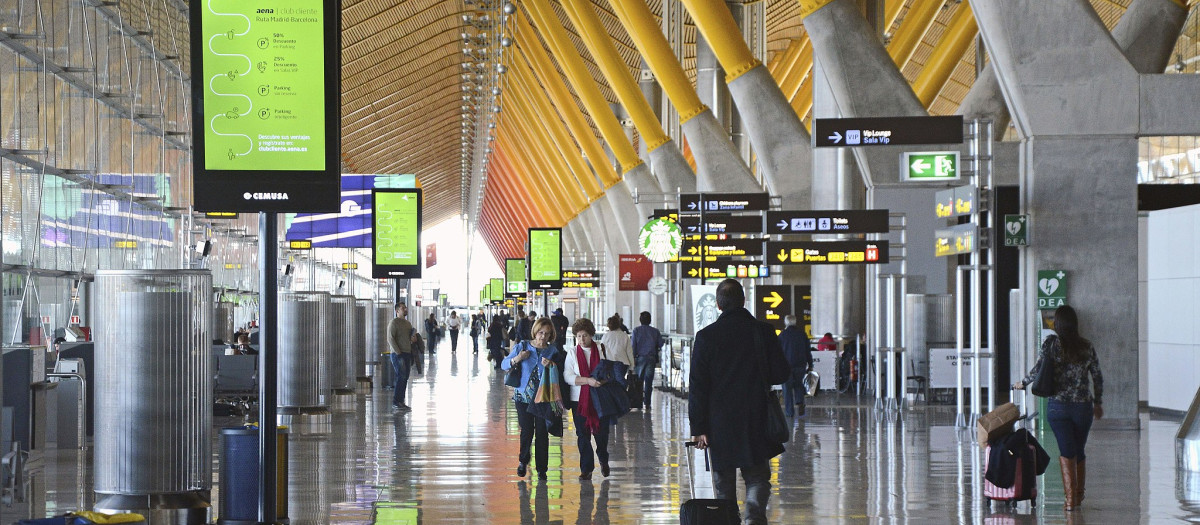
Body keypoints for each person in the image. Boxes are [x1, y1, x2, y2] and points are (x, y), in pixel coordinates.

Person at [689, 279, 790, 525]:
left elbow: (698, 386)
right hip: (756, 418)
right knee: (757, 478)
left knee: (723, 482)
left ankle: (728, 520)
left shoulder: (706, 336)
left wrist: (698, 428)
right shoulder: (763, 332)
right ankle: (753, 519)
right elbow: (781, 374)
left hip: (719, 422)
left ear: (718, 305)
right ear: (744, 301)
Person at [1014, 305, 1103, 511]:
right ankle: (1077, 496)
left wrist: (1023, 382)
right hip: (1082, 408)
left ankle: (1071, 499)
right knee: (1078, 450)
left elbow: (1038, 369)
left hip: (1058, 408)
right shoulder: (1086, 346)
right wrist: (1098, 402)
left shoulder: (1051, 344)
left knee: (1066, 450)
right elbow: (1097, 376)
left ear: (1058, 324)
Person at [502, 318, 565, 481]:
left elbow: (561, 371)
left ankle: (542, 469)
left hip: (543, 397)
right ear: (535, 331)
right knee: (527, 430)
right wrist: (518, 358)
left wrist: (551, 364)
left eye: (546, 334)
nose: (542, 337)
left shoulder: (553, 351)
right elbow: (504, 364)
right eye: (540, 333)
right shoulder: (523, 346)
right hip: (522, 398)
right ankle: (523, 461)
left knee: (542, 433)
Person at [563, 318, 612, 480]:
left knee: (601, 434)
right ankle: (586, 469)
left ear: (591, 335)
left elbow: (611, 371)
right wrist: (588, 381)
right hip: (579, 401)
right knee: (582, 435)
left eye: (584, 335)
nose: (581, 339)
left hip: (600, 399)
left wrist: (603, 380)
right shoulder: (572, 353)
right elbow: (568, 376)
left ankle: (603, 459)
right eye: (578, 336)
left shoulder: (601, 349)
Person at [777, 315, 812, 418]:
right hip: (800, 364)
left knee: (787, 389)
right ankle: (800, 401)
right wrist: (810, 364)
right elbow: (807, 351)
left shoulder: (782, 335)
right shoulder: (802, 334)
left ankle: (789, 412)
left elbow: (778, 352)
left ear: (786, 322)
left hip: (786, 365)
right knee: (799, 385)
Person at [631, 311, 662, 411]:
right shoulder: (655, 331)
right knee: (648, 381)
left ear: (640, 320)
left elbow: (633, 346)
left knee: (639, 381)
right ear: (650, 320)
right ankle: (647, 403)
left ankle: (639, 401)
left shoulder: (636, 331)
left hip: (640, 358)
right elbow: (661, 343)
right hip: (651, 358)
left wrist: (633, 359)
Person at [388, 303, 416, 412]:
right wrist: (398, 352)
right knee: (401, 377)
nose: (405, 309)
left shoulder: (408, 324)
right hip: (398, 354)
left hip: (407, 353)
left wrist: (413, 340)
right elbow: (390, 338)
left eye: (405, 307)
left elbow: (409, 338)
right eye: (402, 308)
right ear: (397, 311)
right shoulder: (394, 323)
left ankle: (401, 402)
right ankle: (396, 402)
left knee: (405, 378)